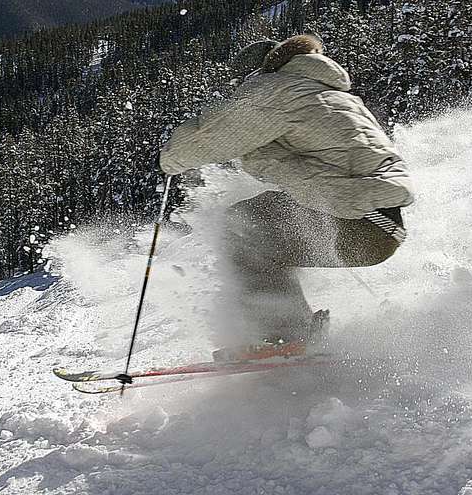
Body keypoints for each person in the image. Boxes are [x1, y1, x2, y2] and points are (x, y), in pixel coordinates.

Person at [159, 34, 414, 353]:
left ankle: (284, 332)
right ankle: (289, 329)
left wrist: (169, 159)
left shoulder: (278, 91)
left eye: (241, 85)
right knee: (262, 222)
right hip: (381, 228)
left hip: (356, 222)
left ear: (257, 74)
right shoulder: (329, 93)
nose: (239, 94)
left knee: (241, 226)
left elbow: (208, 138)